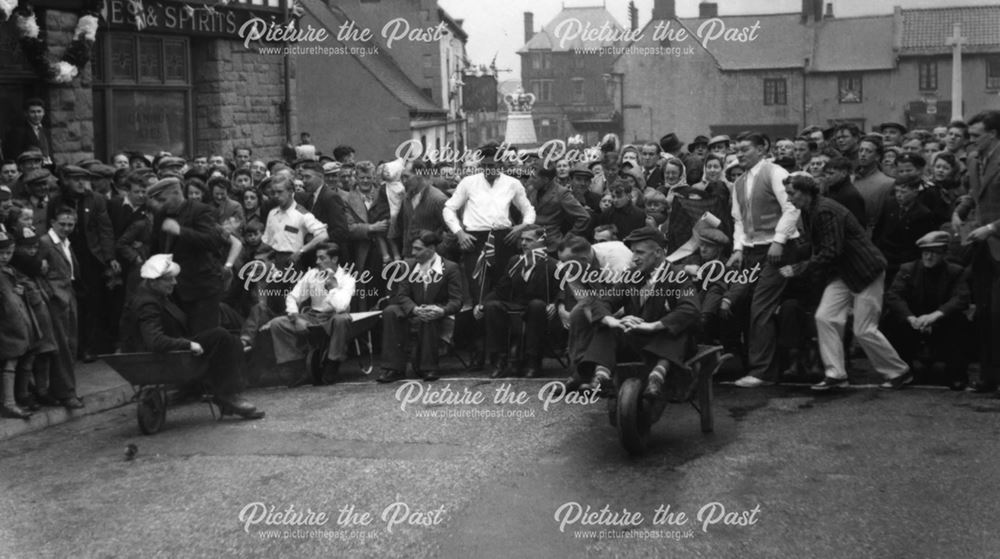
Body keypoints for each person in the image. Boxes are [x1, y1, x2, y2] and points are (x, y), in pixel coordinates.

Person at [779, 174, 911, 391]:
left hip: (866, 270)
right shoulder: (810, 210)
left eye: (791, 193)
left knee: (864, 329)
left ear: (806, 192)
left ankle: (899, 372)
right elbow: (825, 251)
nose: (789, 198)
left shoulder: (824, 210)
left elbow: (831, 251)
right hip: (844, 273)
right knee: (825, 317)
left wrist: (798, 268)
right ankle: (836, 374)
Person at [120, 254, 262, 418]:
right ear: (154, 281)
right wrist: (187, 345)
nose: (174, 282)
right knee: (222, 337)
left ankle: (228, 394)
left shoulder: (154, 293)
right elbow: (154, 341)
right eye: (169, 279)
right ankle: (227, 395)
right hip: (155, 352)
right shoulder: (147, 303)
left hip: (170, 344)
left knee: (228, 339)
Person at [570, 227, 700, 399]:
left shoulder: (678, 276)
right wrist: (613, 321)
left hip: (666, 343)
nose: (634, 258)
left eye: (640, 252)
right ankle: (600, 378)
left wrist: (653, 326)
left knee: (675, 329)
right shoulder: (631, 276)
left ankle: (657, 378)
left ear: (658, 253)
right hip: (637, 341)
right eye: (633, 253)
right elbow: (604, 302)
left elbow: (690, 309)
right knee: (607, 326)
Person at [728, 133, 799, 388]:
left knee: (761, 307)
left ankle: (763, 372)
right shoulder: (739, 182)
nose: (739, 153)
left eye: (745, 149)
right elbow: (739, 220)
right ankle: (755, 364)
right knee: (742, 305)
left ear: (762, 148)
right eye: (737, 149)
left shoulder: (776, 172)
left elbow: (793, 207)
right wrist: (737, 249)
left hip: (778, 250)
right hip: (751, 252)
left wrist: (779, 240)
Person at [443, 143, 536, 302]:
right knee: (478, 291)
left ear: (500, 164)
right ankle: (478, 325)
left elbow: (529, 210)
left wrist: (522, 227)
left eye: (491, 165)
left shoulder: (512, 183)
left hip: (504, 240)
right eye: (483, 165)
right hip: (475, 241)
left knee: (504, 288)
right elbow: (448, 209)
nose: (487, 169)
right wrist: (459, 233)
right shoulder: (468, 182)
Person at [146, 177, 236, 333]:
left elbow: (213, 242)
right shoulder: (162, 214)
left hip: (201, 288)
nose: (159, 205)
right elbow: (156, 247)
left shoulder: (200, 210)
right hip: (173, 289)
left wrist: (181, 231)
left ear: (176, 193)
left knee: (204, 336)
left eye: (163, 200)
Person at [884, 231, 970, 389]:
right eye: (925, 253)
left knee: (960, 324)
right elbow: (894, 296)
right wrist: (910, 318)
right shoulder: (908, 270)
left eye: (934, 253)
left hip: (942, 323)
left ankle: (956, 374)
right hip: (914, 322)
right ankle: (902, 371)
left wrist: (935, 316)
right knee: (891, 321)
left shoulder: (955, 272)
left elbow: (961, 298)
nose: (928, 257)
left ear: (944, 253)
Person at [376, 231, 464, 383]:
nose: (412, 252)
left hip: (437, 314)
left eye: (418, 249)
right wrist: (415, 309)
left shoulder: (450, 268)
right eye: (413, 248)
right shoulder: (408, 266)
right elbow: (401, 295)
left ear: (431, 249)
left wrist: (441, 310)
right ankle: (393, 368)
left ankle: (429, 367)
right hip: (413, 311)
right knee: (390, 311)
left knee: (430, 312)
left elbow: (457, 301)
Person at [953, 110, 1000, 393]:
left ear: (993, 135)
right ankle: (988, 376)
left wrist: (993, 228)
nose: (970, 142)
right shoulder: (973, 159)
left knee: (997, 313)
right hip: (984, 247)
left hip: (992, 238)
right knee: (984, 313)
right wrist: (961, 210)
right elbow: (974, 193)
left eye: (975, 136)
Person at [264, 242, 355, 385]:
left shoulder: (347, 279)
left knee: (342, 319)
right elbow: (292, 297)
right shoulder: (312, 274)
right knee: (278, 324)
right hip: (312, 317)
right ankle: (296, 367)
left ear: (335, 259)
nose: (317, 262)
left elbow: (341, 307)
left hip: (332, 317)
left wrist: (332, 288)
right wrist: (295, 318)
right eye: (317, 258)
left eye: (322, 258)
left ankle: (332, 364)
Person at [478, 225, 560, 379]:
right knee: (492, 307)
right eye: (522, 239)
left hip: (539, 307)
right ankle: (500, 360)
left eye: (529, 240)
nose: (523, 243)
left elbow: (562, 290)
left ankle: (532, 361)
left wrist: (555, 304)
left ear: (541, 243)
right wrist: (482, 304)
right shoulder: (515, 261)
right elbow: (501, 288)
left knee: (537, 306)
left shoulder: (553, 264)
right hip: (516, 304)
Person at [36, 206, 83, 409]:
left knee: (71, 343)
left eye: (70, 224)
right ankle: (66, 393)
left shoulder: (65, 242)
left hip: (68, 295)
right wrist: (49, 293)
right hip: (56, 298)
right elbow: (37, 271)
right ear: (53, 223)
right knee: (62, 346)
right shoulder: (46, 242)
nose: (66, 228)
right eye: (62, 224)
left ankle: (63, 390)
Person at [4, 98, 52, 165]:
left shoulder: (45, 131)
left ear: (43, 113)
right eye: (32, 112)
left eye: (39, 111)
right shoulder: (18, 132)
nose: (36, 115)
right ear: (26, 113)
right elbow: (15, 155)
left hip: (48, 167)